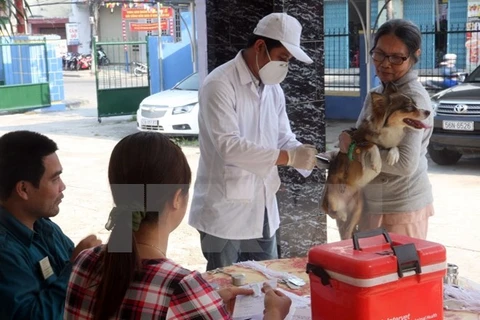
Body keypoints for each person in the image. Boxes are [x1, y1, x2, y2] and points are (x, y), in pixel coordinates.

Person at [64, 132, 292, 319]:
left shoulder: (84, 263)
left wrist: (206, 304)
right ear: (176, 199)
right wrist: (274, 314)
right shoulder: (181, 287)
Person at [188, 12, 318, 271]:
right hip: (224, 210)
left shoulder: (273, 89)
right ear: (260, 46)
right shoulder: (219, 84)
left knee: (267, 282)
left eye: (288, 61)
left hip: (263, 206)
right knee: (226, 286)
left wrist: (311, 156)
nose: (285, 66)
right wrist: (288, 158)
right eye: (282, 58)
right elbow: (229, 146)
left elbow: (283, 136)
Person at [337, 19, 434, 239]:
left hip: (400, 208)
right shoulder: (378, 91)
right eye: (379, 54)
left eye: (397, 58)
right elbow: (363, 135)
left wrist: (354, 150)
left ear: (414, 55)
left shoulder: (413, 99)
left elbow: (404, 164)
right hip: (371, 204)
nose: (385, 64)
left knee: (396, 273)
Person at [0, 130, 101, 320]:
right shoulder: (5, 252)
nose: (63, 186)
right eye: (55, 179)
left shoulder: (45, 227)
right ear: (23, 189)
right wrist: (77, 269)